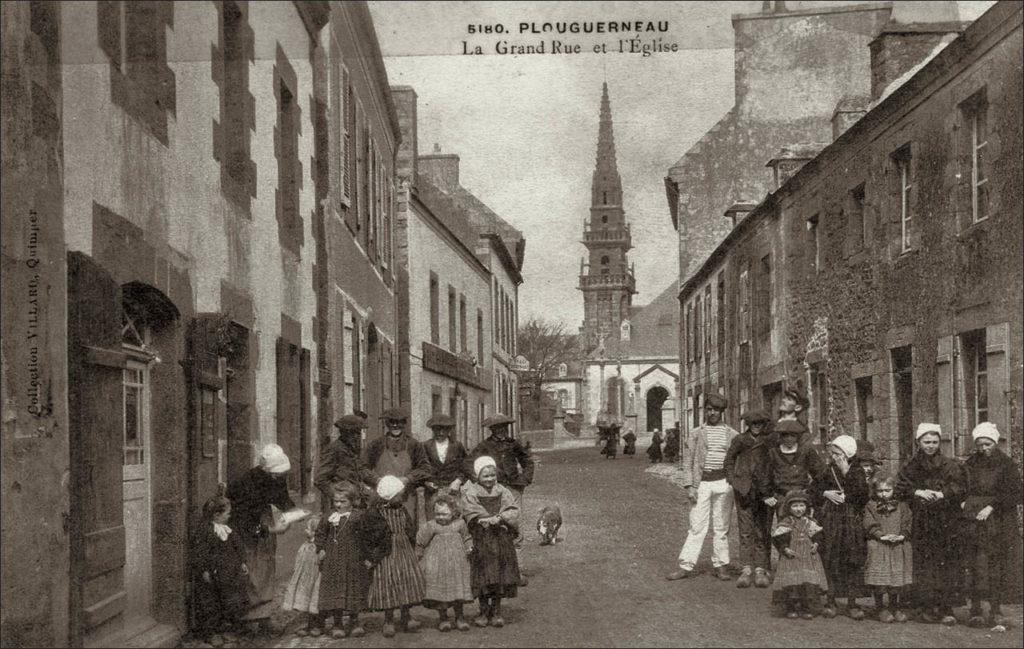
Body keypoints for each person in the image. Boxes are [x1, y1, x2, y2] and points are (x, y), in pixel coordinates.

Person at [894, 423, 966, 626]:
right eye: (926, 442)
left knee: (946, 564)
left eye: (934, 442)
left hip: (946, 521)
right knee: (924, 564)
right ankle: (925, 607)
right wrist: (919, 492)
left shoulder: (950, 465)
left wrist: (943, 494)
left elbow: (960, 486)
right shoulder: (910, 466)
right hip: (922, 520)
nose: (931, 446)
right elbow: (900, 487)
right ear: (919, 442)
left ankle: (946, 608)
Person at [226, 444, 306, 623]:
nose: (279, 477)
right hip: (245, 527)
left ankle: (263, 615)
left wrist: (294, 512)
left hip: (263, 520)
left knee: (266, 564)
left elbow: (281, 498)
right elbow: (242, 520)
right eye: (276, 474)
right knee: (250, 567)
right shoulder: (244, 485)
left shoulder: (277, 478)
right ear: (266, 470)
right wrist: (270, 529)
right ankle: (247, 617)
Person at [667, 394, 738, 581]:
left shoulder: (732, 434)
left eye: (715, 409)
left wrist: (734, 482)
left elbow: (737, 461)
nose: (711, 413)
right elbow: (688, 461)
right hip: (702, 484)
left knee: (721, 527)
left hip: (724, 484)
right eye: (708, 409)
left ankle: (721, 565)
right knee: (697, 526)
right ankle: (686, 566)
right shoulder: (696, 433)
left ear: (722, 411)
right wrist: (690, 485)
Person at [961, 422, 1022, 630]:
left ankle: (995, 610)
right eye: (980, 444)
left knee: (996, 564)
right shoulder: (971, 463)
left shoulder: (1007, 464)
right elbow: (962, 486)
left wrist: (992, 506)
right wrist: (963, 501)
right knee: (977, 563)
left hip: (999, 520)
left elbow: (1015, 493)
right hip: (975, 519)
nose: (983, 449)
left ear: (995, 443)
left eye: (987, 444)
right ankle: (975, 609)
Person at [315, 483, 392, 639]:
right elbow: (320, 533)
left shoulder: (359, 516)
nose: (338, 505)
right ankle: (337, 623)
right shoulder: (328, 516)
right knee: (336, 589)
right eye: (336, 501)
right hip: (333, 560)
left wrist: (370, 557)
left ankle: (355, 621)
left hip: (354, 559)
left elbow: (369, 537)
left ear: (352, 501)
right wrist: (321, 548)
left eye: (343, 502)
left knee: (354, 589)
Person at [468, 413, 534, 586]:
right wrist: (478, 480)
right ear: (492, 430)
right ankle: (496, 572)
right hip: (493, 490)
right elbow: (468, 463)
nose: (502, 431)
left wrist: (524, 479)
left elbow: (527, 460)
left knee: (515, 525)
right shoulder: (484, 446)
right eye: (498, 428)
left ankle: (517, 571)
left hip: (512, 488)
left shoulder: (513, 444)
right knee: (496, 529)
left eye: (504, 427)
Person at [812, 434, 869, 620]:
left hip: (852, 522)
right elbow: (812, 490)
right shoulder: (828, 471)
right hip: (832, 521)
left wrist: (846, 472)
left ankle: (853, 603)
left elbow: (862, 495)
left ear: (848, 454)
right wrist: (825, 493)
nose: (834, 457)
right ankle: (830, 600)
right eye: (833, 454)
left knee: (852, 560)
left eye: (838, 454)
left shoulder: (858, 471)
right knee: (831, 558)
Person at [460, 456, 522, 628]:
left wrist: (500, 517)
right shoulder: (471, 492)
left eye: (492, 475)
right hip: (482, 539)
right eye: (485, 476)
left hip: (500, 538)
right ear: (477, 476)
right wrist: (483, 518)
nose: (489, 479)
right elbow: (469, 509)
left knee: (499, 576)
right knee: (483, 576)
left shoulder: (503, 491)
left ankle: (496, 611)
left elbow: (513, 509)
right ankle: (483, 610)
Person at [367, 475, 427, 638]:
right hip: (387, 553)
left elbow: (410, 528)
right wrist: (373, 554)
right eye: (399, 495)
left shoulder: (402, 510)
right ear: (389, 496)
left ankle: (406, 617)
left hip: (404, 550)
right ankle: (388, 620)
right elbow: (373, 536)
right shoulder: (376, 514)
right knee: (389, 583)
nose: (403, 497)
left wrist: (415, 545)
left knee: (406, 581)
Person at [724, 409, 773, 589]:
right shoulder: (740, 440)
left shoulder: (769, 441)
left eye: (760, 424)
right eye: (753, 424)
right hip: (744, 490)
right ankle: (746, 569)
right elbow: (728, 461)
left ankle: (760, 569)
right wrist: (733, 480)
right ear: (748, 425)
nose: (757, 428)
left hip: (764, 491)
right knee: (745, 530)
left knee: (762, 529)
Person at [193, 495, 249, 647]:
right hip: (213, 575)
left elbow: (239, 547)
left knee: (229, 601)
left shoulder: (229, 530)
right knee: (210, 603)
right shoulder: (205, 531)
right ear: (216, 515)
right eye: (227, 513)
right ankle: (211, 633)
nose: (230, 516)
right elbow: (201, 552)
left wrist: (243, 562)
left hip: (229, 575)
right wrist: (204, 570)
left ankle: (227, 628)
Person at [416, 492, 474, 632]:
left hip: (457, 565)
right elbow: (421, 541)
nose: (440, 517)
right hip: (438, 565)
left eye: (444, 514)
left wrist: (469, 547)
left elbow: (467, 538)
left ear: (454, 512)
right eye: (437, 514)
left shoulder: (460, 524)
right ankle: (443, 618)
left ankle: (460, 617)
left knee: (458, 593)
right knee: (441, 595)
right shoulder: (431, 526)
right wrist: (418, 552)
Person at [364, 406, 431, 522]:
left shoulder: (414, 445)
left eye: (399, 422)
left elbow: (425, 469)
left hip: (406, 498)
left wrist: (407, 479)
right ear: (386, 424)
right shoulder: (376, 445)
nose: (395, 426)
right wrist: (377, 480)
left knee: (407, 528)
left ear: (404, 424)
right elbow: (362, 468)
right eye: (391, 422)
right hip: (381, 497)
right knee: (381, 529)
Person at [771, 489, 828, 620]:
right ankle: (791, 607)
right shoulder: (786, 522)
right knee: (792, 581)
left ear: (806, 507)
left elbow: (818, 535)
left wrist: (816, 544)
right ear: (789, 508)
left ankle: (805, 607)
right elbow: (779, 539)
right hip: (793, 555)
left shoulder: (810, 522)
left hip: (808, 556)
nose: (798, 509)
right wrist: (785, 549)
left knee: (807, 580)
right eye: (795, 506)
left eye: (801, 506)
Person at [863, 474, 912, 624]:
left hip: (897, 545)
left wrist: (902, 535)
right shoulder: (871, 505)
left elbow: (907, 521)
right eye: (880, 491)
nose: (883, 494)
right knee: (880, 578)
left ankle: (894, 606)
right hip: (879, 545)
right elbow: (868, 522)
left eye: (887, 490)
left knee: (895, 578)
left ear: (894, 490)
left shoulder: (902, 506)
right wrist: (880, 535)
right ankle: (880, 608)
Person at [756, 419, 825, 518]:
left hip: (802, 496)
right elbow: (765, 476)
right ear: (780, 436)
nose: (789, 439)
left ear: (798, 437)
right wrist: (767, 495)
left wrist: (812, 491)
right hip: (782, 497)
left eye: (792, 435)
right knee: (785, 526)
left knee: (803, 527)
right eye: (785, 435)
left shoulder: (806, 451)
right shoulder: (773, 453)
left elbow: (819, 472)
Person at [316, 415, 378, 514]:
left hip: (357, 503)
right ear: (344, 433)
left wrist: (379, 481)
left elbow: (361, 470)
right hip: (342, 507)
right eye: (353, 433)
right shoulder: (334, 449)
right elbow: (320, 479)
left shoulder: (351, 449)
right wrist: (340, 496)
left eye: (358, 433)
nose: (357, 437)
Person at [420, 413, 470, 519]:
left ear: (449, 430)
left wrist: (458, 481)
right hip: (432, 492)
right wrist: (425, 481)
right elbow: (419, 467)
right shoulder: (425, 446)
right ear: (433, 430)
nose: (441, 433)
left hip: (452, 490)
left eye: (444, 430)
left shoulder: (457, 446)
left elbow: (466, 466)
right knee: (433, 521)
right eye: (437, 429)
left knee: (454, 520)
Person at [283, 516, 322, 637]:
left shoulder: (318, 546)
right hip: (304, 578)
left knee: (315, 600)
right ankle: (306, 625)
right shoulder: (305, 545)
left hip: (315, 576)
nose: (305, 531)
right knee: (304, 600)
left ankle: (317, 625)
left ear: (315, 531)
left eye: (308, 529)